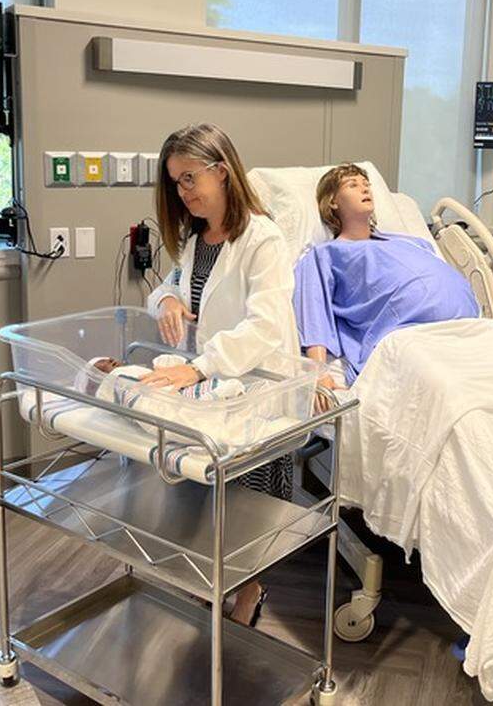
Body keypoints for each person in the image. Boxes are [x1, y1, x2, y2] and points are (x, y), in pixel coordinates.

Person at [143, 122, 297, 627]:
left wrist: (197, 367)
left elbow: (265, 326)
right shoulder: (196, 239)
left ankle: (251, 588)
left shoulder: (263, 238)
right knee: (204, 493)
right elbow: (171, 284)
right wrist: (165, 297)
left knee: (246, 507)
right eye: (176, 183)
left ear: (223, 171)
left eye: (190, 179)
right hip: (217, 383)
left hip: (259, 386)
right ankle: (213, 581)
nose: (182, 192)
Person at [294, 164, 480, 393]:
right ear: (333, 202)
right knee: (455, 391)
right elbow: (314, 313)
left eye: (366, 185)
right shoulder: (324, 255)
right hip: (411, 333)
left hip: (470, 329)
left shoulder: (409, 242)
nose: (365, 190)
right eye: (353, 185)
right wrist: (319, 374)